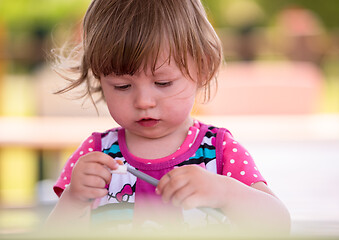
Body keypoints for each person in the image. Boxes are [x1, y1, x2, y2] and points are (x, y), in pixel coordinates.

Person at [46, 0, 290, 235]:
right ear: (99, 78)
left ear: (202, 68)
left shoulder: (219, 150)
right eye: (122, 86)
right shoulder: (96, 154)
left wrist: (226, 193)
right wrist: (74, 200)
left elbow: (278, 225)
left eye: (163, 83)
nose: (144, 101)